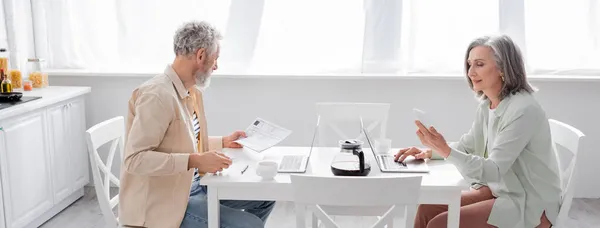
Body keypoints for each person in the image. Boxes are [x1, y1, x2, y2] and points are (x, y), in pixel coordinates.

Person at [118, 21, 275, 228]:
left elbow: (178, 141)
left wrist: (223, 141)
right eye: (215, 59)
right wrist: (194, 160)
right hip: (163, 204)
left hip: (192, 186)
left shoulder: (191, 91)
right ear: (201, 55)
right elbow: (135, 160)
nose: (216, 66)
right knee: (248, 225)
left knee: (265, 198)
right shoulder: (157, 96)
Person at [395, 35, 561, 228]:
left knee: (440, 224)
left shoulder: (523, 110)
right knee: (427, 208)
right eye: (469, 64)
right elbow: (468, 146)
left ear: (502, 69)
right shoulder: (487, 106)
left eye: (479, 64)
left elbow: (493, 171)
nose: (471, 72)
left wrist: (445, 150)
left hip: (530, 203)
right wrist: (430, 151)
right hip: (505, 190)